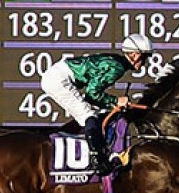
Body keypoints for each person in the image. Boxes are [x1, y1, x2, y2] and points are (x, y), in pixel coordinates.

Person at [39, 33, 153, 176]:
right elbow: (91, 94)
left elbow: (92, 95)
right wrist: (116, 101)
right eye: (145, 57)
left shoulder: (117, 63)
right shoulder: (116, 68)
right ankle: (98, 160)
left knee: (94, 113)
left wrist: (112, 103)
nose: (145, 62)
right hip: (58, 80)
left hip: (58, 76)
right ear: (135, 55)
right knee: (88, 114)